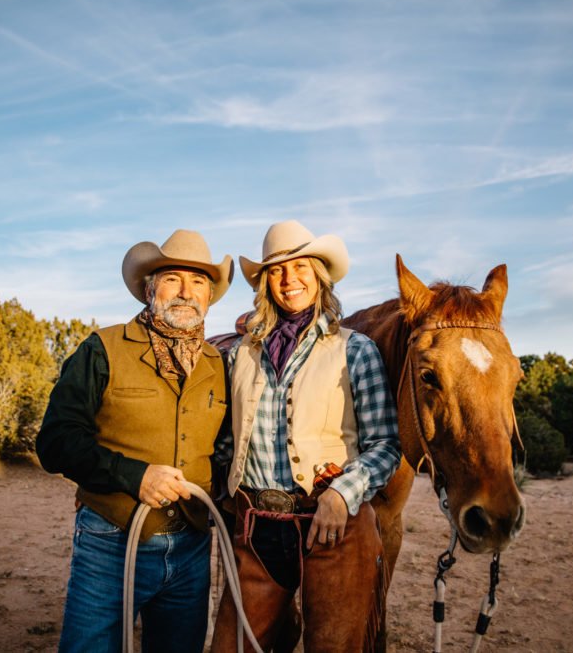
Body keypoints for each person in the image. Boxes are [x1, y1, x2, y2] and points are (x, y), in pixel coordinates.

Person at [37, 229, 233, 653]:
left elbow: (226, 445)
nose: (186, 291)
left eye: (198, 281)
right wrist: (133, 476)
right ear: (149, 288)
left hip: (193, 546)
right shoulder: (101, 349)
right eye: (172, 278)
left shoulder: (220, 364)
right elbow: (55, 441)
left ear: (209, 295)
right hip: (111, 541)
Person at [211, 220, 401, 653]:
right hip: (256, 526)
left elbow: (387, 444)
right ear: (264, 284)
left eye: (300, 267)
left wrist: (341, 494)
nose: (289, 279)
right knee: (232, 646)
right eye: (276, 271)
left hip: (334, 526)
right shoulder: (240, 354)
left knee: (336, 646)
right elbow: (226, 438)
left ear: (319, 276)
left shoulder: (356, 349)